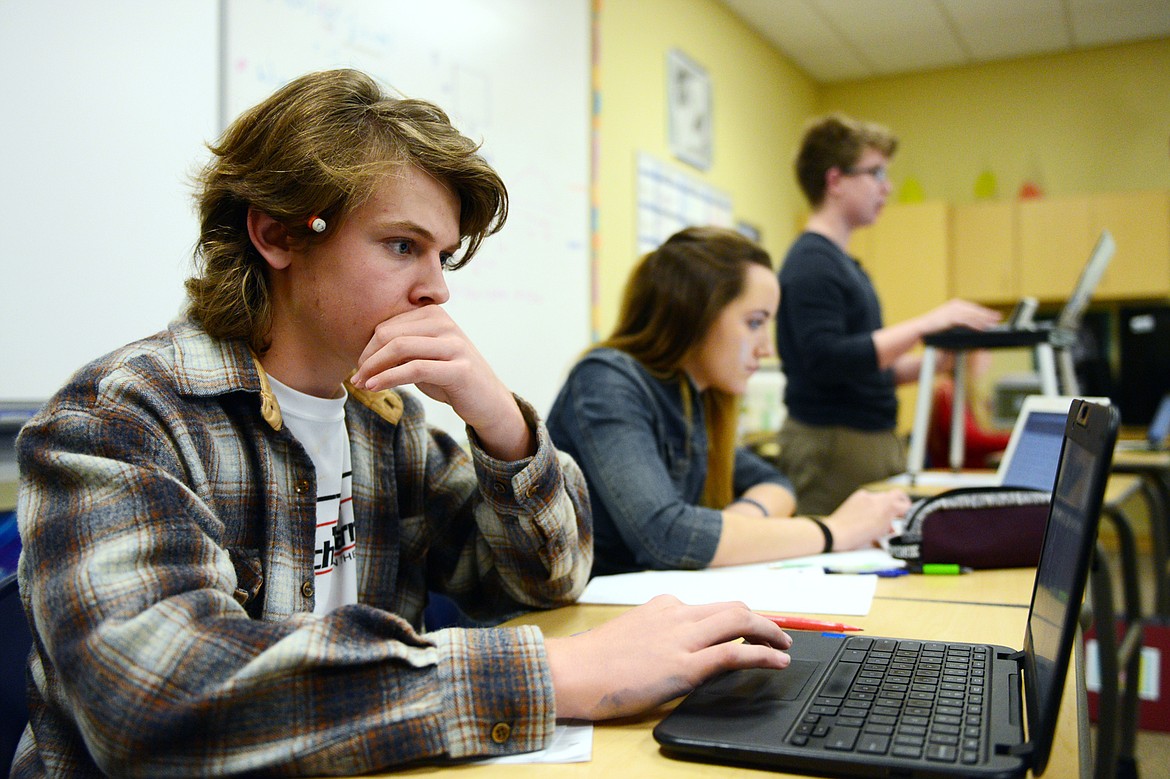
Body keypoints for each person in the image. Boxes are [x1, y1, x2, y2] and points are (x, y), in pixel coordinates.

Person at [12, 69, 794, 776]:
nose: (436, 290)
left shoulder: (386, 421)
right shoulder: (120, 416)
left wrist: (501, 424)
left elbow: (546, 577)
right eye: (401, 245)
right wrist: (554, 676)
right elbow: (151, 704)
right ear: (277, 232)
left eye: (442, 257)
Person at [547, 227, 909, 577]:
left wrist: (739, 522)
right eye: (754, 323)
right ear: (695, 313)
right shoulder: (606, 381)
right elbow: (667, 536)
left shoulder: (693, 396)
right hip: (588, 614)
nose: (766, 348)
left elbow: (776, 482)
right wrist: (835, 530)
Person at [775, 114, 1001, 515]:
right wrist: (925, 325)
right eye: (875, 172)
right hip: (835, 447)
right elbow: (828, 361)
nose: (887, 186)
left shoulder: (840, 264)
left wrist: (940, 363)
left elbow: (863, 369)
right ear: (835, 181)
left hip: (862, 442)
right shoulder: (812, 263)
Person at [926, 350, 1012, 469]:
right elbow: (971, 441)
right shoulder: (947, 391)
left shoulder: (963, 392)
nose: (988, 359)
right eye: (983, 352)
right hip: (954, 472)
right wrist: (1014, 439)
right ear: (967, 357)